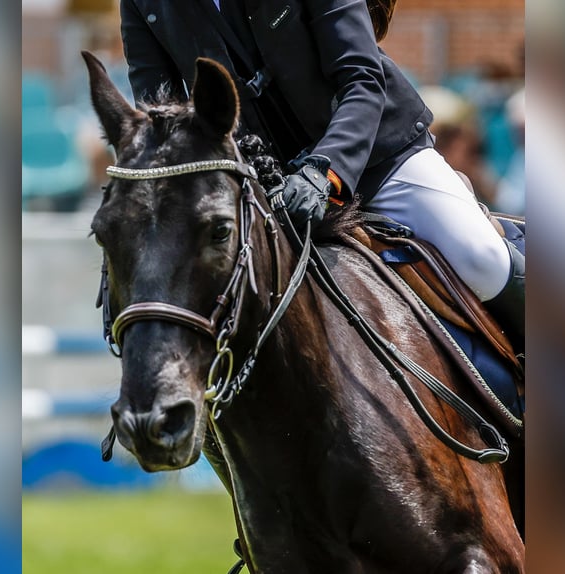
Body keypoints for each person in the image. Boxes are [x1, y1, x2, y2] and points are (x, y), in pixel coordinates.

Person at [118, 0, 524, 347]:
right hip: (265, 192)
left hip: (376, 160)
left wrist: (325, 171)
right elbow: (163, 123)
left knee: (482, 260)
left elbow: (363, 79)